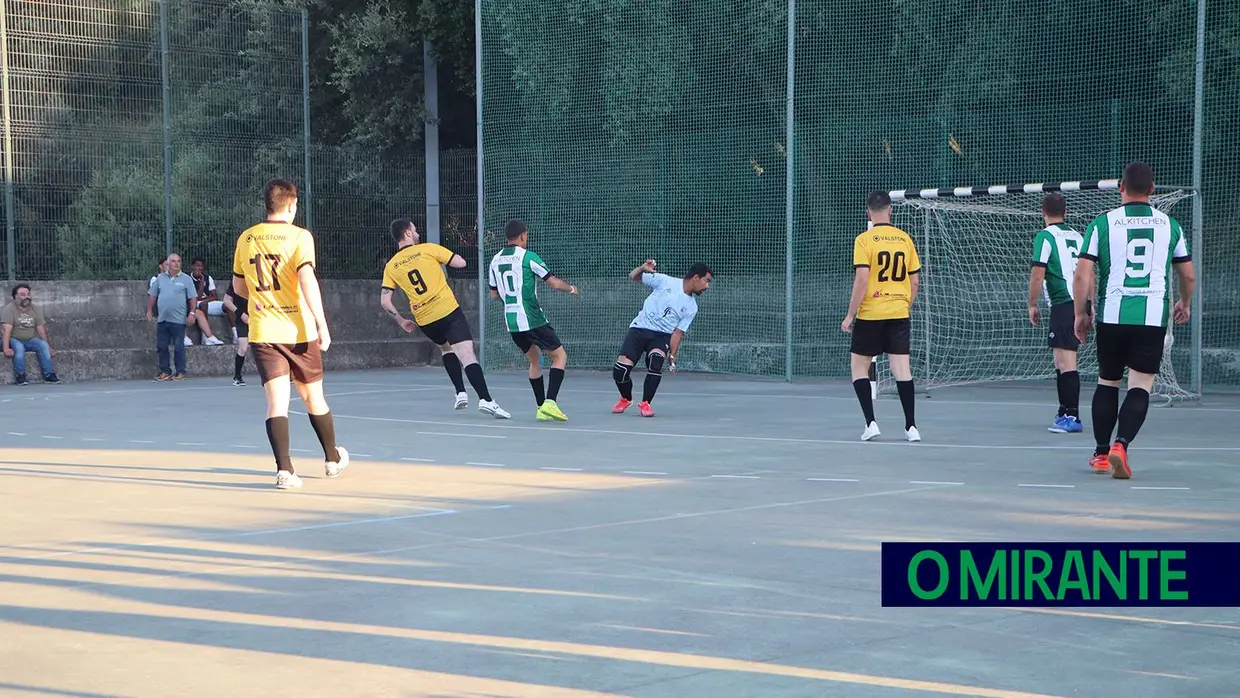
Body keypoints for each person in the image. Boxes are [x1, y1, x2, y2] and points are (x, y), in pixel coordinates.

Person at [1073, 162, 1194, 479]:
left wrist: (1080, 313)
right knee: (1140, 386)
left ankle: (1100, 453)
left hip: (1112, 315)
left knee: (1107, 382)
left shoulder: (1102, 223)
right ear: (1153, 190)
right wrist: (1185, 302)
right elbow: (1188, 275)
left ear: (1120, 188)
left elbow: (1083, 273)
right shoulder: (1171, 225)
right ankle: (1121, 446)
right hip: (1152, 316)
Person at [231, 178, 349, 490]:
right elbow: (307, 279)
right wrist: (323, 324)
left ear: (267, 204)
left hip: (263, 331)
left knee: (276, 402)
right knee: (313, 397)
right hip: (299, 330)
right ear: (292, 205)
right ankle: (331, 459)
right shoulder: (299, 236)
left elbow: (239, 287)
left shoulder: (247, 238)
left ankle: (284, 470)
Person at [379, 218, 510, 419]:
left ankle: (460, 393)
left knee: (446, 348)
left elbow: (385, 301)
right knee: (467, 355)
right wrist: (446, 256)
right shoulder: (428, 249)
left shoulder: (392, 266)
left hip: (425, 319)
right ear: (407, 233)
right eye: (414, 230)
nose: (417, 233)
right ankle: (487, 400)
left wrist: (401, 320)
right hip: (447, 310)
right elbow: (460, 262)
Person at [841, 190, 922, 442]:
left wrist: (849, 315)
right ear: (890, 210)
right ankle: (911, 428)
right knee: (902, 370)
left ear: (868, 212)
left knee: (859, 367)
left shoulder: (864, 240)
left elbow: (862, 280)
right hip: (899, 312)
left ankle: (871, 423)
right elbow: (915, 282)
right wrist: (903, 304)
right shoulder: (905, 239)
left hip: (870, 313)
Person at [488, 219, 579, 421]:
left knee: (535, 360)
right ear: (522, 235)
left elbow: (494, 295)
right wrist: (571, 288)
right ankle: (550, 402)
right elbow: (554, 283)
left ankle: (540, 408)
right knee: (560, 356)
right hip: (531, 317)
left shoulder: (495, 260)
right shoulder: (528, 257)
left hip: (511, 322)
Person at [612, 260, 712, 417]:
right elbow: (634, 277)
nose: (707, 286)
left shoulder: (692, 307)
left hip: (661, 336)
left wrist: (672, 356)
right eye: (706, 281)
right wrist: (642, 268)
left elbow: (678, 333)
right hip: (639, 330)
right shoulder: (665, 281)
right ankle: (626, 398)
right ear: (696, 277)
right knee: (620, 372)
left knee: (656, 361)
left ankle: (646, 403)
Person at [1028, 192, 1086, 433]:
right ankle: (1064, 410)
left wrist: (1032, 303)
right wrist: (1089, 305)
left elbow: (1038, 272)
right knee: (1060, 360)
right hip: (1078, 303)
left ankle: (1072, 416)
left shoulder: (1045, 237)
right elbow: (1089, 273)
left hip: (1064, 303)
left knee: (1066, 361)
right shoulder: (1078, 236)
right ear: (1066, 212)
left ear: (1043, 213)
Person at [146, 253, 196, 381]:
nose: (176, 263)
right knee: (161, 346)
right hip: (162, 319)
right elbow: (152, 295)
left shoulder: (186, 279)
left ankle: (180, 371)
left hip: (179, 320)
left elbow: (192, 298)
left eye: (178, 261)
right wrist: (149, 311)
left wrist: (192, 313)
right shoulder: (160, 278)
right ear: (168, 264)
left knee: (179, 347)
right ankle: (165, 371)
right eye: (173, 261)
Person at [2, 284, 60, 385]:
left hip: (30, 339)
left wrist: (49, 347)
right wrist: (6, 348)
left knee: (43, 345)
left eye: (28, 294)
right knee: (19, 348)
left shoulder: (35, 309)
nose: (27, 297)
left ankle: (49, 375)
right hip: (14, 339)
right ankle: (20, 376)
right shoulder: (10, 309)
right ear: (16, 297)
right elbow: (6, 330)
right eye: (23, 294)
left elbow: (41, 330)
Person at [187, 257, 226, 346]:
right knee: (203, 305)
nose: (199, 268)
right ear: (192, 266)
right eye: (197, 266)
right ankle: (205, 336)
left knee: (227, 305)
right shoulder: (187, 278)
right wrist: (201, 281)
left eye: (201, 266)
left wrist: (204, 299)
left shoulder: (208, 277)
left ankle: (235, 334)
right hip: (193, 303)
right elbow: (197, 297)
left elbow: (214, 296)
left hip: (207, 301)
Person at [222, 285, 250, 386]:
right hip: (243, 317)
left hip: (259, 316)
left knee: (264, 346)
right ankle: (237, 377)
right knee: (243, 348)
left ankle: (269, 377)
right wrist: (240, 314)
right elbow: (227, 301)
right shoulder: (236, 281)